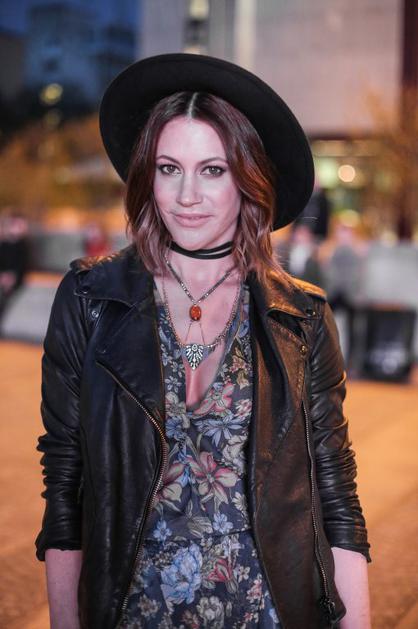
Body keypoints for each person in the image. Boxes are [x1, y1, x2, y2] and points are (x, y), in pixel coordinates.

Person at [35, 54, 371, 629]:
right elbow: (66, 484)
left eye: (212, 170)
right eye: (169, 168)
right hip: (133, 613)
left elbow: (335, 490)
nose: (186, 194)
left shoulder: (301, 318)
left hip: (269, 613)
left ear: (249, 178)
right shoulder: (91, 299)